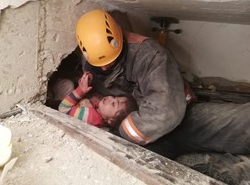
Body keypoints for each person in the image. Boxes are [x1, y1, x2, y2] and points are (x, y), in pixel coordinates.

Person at [75, 9, 250, 159]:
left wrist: (117, 135)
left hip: (182, 120)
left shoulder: (150, 55)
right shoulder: (92, 58)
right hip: (142, 135)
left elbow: (164, 114)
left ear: (118, 38)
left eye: (110, 61)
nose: (104, 66)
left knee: (241, 124)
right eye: (100, 63)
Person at [58, 72, 138, 128]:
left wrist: (80, 90)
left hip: (64, 105)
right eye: (114, 97)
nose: (110, 98)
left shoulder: (90, 117)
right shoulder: (101, 110)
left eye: (113, 104)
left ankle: (52, 97)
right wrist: (88, 82)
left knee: (67, 85)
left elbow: (63, 109)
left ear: (111, 120)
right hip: (77, 101)